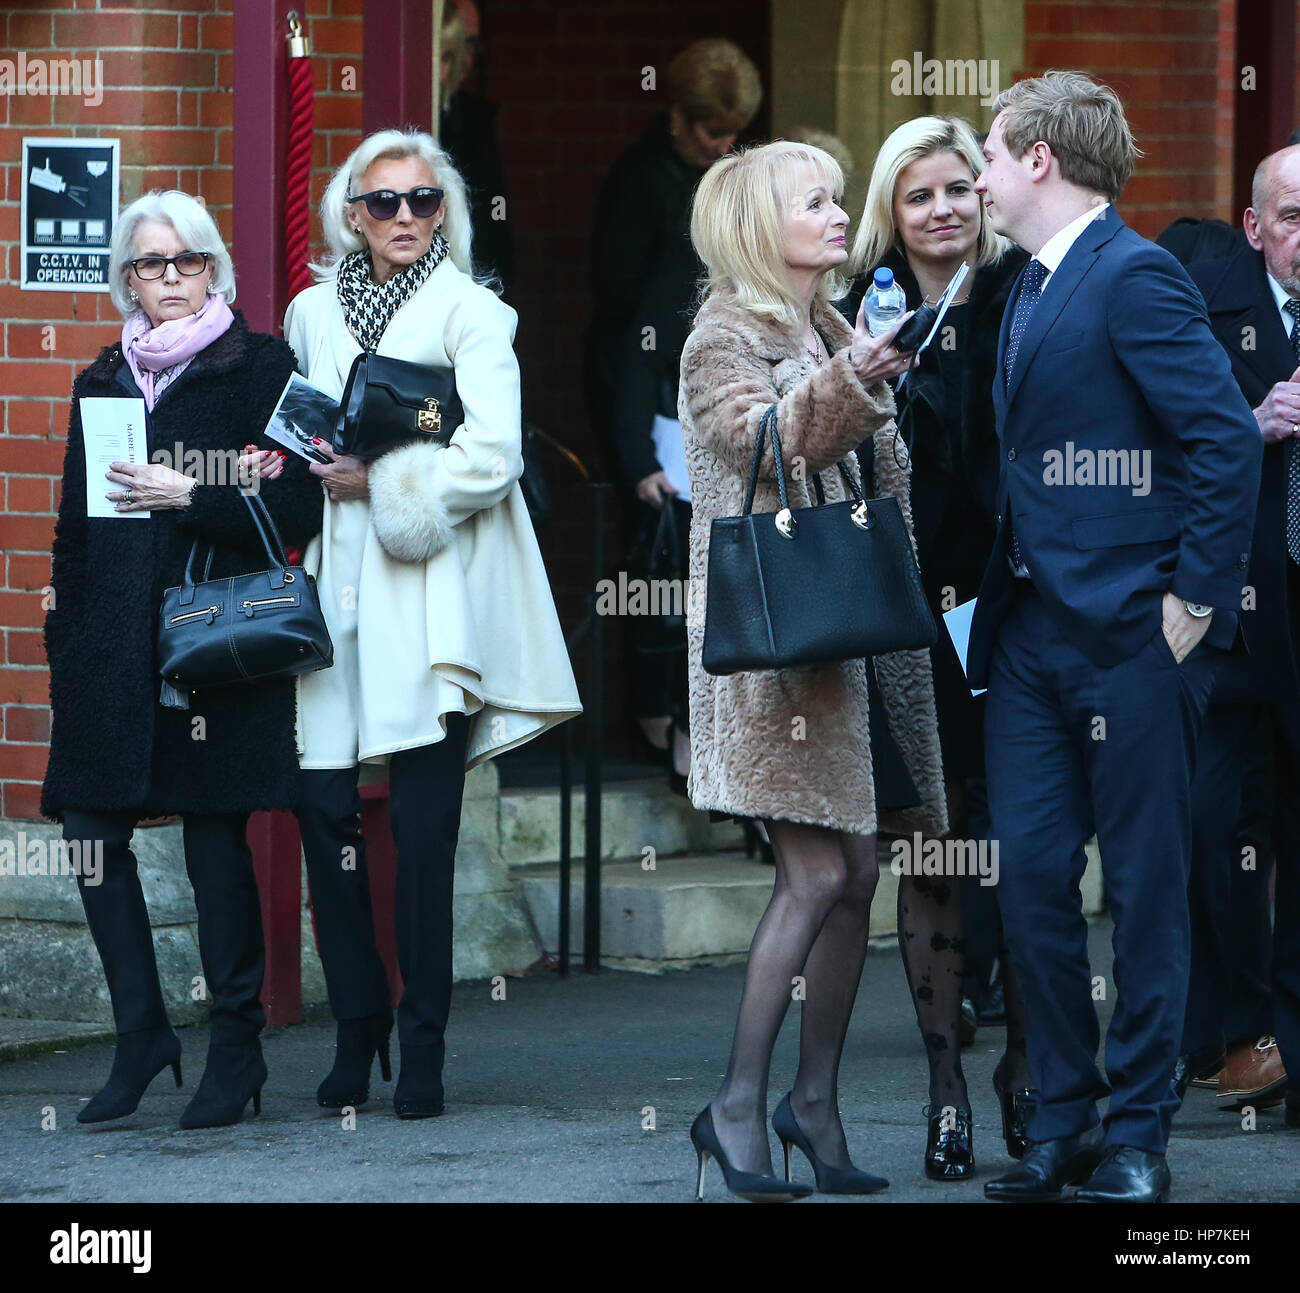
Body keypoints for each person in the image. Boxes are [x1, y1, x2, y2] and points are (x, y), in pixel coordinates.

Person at [967, 72, 1263, 1203]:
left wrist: (1193, 603)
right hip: (1030, 640)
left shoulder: (1134, 274)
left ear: (1039, 157)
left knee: (1144, 887)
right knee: (1033, 878)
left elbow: (1221, 441)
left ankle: (1138, 1138)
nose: (981, 179)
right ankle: (1066, 1123)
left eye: (990, 156)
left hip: (1134, 640)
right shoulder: (1028, 284)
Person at [282, 128, 581, 1120]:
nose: (404, 217)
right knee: (326, 815)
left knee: (422, 828)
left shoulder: (475, 314)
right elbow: (299, 429)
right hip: (337, 586)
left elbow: (492, 457)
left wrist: (388, 479)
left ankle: (423, 1045)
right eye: (383, 202)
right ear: (351, 213)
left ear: (444, 209)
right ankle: (356, 1022)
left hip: (432, 588)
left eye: (422, 200)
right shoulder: (310, 311)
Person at [679, 139, 947, 1201]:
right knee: (819, 873)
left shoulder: (830, 324)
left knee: (861, 871)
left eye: (840, 200)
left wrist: (855, 367)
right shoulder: (720, 336)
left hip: (847, 642)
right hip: (778, 659)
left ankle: (813, 1103)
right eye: (817, 202)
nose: (841, 217)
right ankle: (736, 1107)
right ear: (758, 226)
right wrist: (852, 381)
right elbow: (754, 448)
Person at [41, 189, 323, 1128]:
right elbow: (74, 532)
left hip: (214, 643)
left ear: (215, 270)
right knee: (90, 832)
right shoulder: (101, 379)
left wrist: (187, 491)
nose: (169, 279)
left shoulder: (261, 368)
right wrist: (68, 641)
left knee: (213, 842)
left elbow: (296, 512)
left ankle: (234, 1053)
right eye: (150, 264)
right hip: (111, 651)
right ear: (127, 278)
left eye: (187, 261)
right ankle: (141, 1037)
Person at [842, 114, 1033, 1178]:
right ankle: (945, 1090)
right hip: (903, 610)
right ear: (893, 210)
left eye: (960, 187)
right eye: (920, 194)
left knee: (1016, 839)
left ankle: (1024, 1072)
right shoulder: (862, 310)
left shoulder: (1020, 293)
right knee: (932, 845)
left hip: (1007, 603)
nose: (944, 208)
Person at [586, 37, 761, 792]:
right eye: (708, 133)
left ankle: (693, 727)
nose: (721, 146)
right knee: (657, 565)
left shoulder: (716, 187)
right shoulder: (645, 187)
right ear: (677, 117)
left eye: (731, 135)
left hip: (678, 389)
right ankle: (660, 723)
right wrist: (638, 456)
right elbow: (625, 312)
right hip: (644, 388)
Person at [1168, 144, 1300, 1130]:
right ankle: (1230, 1026)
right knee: (1212, 829)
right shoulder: (1195, 305)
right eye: (1292, 218)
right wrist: (1244, 423)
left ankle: (1284, 1047)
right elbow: (1145, 446)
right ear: (1253, 228)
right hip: (1231, 622)